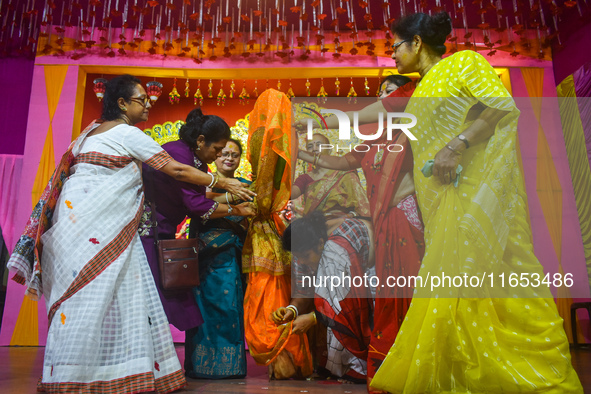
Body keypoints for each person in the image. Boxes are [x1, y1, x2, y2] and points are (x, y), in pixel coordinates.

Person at [369, 12, 583, 393]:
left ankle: (525, 378)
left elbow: (500, 106)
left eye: (395, 46)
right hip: (440, 208)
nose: (392, 56)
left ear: (417, 43)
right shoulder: (420, 90)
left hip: (473, 197)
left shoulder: (464, 63)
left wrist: (457, 145)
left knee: (496, 277)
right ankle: (465, 378)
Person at [6, 74, 254, 393]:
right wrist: (223, 183)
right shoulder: (126, 133)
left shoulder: (87, 134)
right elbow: (175, 170)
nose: (148, 102)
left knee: (88, 298)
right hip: (102, 228)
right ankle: (96, 373)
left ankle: (76, 372)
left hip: (73, 227)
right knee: (103, 297)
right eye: (141, 99)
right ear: (122, 104)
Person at [296, 75, 423, 387]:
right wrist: (298, 153)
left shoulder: (416, 129)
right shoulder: (376, 142)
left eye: (389, 92)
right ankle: (388, 359)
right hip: (383, 223)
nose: (382, 97)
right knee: (385, 293)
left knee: (409, 287)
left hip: (407, 217)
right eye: (379, 93)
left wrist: (318, 120)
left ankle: (418, 360)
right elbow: (342, 161)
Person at [140, 109, 254, 335]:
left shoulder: (199, 163)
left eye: (230, 153)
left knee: (167, 294)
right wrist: (236, 208)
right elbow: (197, 206)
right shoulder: (179, 153)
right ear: (201, 141)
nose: (221, 155)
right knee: (153, 295)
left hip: (164, 229)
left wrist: (232, 198)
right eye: (218, 149)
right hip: (147, 229)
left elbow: (199, 200)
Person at [242, 89, 314, 380]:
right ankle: (288, 359)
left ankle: (281, 360)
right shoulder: (285, 139)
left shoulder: (264, 139)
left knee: (265, 297)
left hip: (264, 232)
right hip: (278, 232)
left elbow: (262, 194)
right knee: (277, 294)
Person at [273, 211, 375, 384]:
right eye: (298, 257)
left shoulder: (336, 248)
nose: (302, 262)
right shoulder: (304, 251)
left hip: (376, 274)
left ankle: (359, 365)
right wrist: (292, 310)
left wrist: (313, 318)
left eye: (304, 257)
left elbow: (348, 300)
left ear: (320, 244)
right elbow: (304, 291)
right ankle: (343, 362)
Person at [184, 138, 251, 379]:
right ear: (216, 156)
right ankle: (198, 365)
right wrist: (231, 198)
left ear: (240, 159)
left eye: (235, 154)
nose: (229, 158)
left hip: (229, 257)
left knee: (228, 308)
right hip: (202, 258)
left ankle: (229, 367)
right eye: (224, 153)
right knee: (200, 310)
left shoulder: (246, 186)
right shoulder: (201, 182)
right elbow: (195, 205)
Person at [292, 132, 370, 219]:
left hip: (342, 224)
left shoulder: (344, 173)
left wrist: (347, 216)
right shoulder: (305, 178)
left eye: (319, 145)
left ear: (330, 150)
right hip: (315, 226)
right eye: (310, 147)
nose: (314, 149)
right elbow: (291, 194)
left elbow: (361, 206)